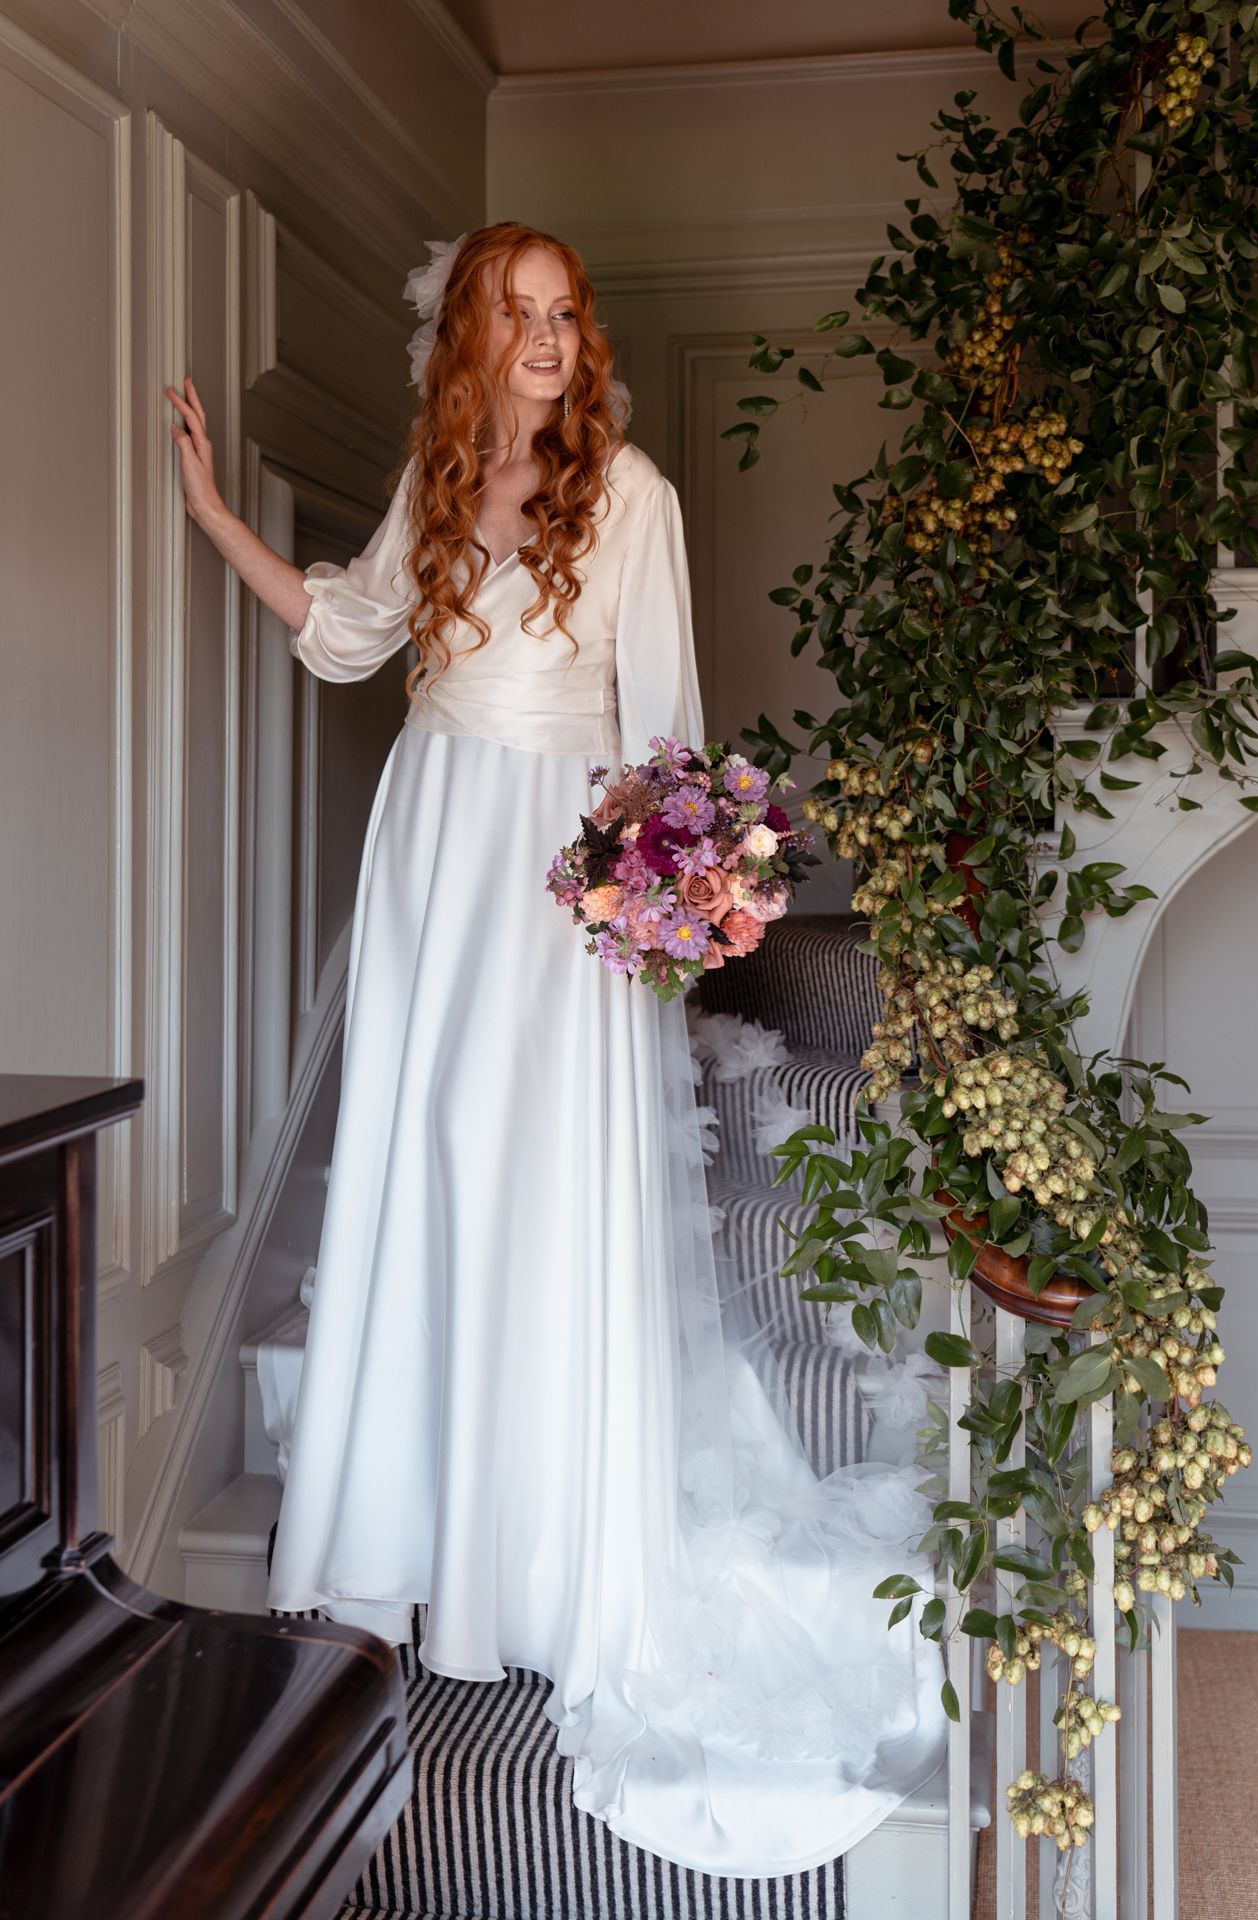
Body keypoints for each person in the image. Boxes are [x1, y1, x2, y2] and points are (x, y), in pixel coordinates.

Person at [166, 220, 947, 1880]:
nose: (542, 337)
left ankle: (545, 1561)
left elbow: (666, 730)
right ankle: (414, 1540)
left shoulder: (634, 492)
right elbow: (355, 630)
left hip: (559, 872)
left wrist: (671, 898)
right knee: (432, 1170)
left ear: (583, 336)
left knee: (538, 1197)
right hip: (433, 855)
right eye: (514, 315)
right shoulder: (436, 479)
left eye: (561, 314)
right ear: (469, 337)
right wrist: (220, 520)